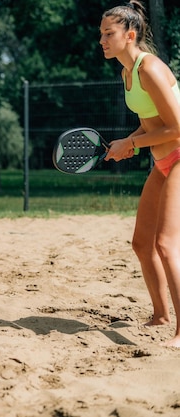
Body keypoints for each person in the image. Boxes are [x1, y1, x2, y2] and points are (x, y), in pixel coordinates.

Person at [101, 1, 180, 347]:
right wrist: (126, 142)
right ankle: (162, 315)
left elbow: (177, 128)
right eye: (101, 33)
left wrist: (132, 147)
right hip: (162, 162)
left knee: (165, 244)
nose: (101, 40)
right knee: (141, 244)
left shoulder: (150, 68)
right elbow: (150, 123)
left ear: (130, 35)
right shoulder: (127, 73)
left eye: (108, 33)